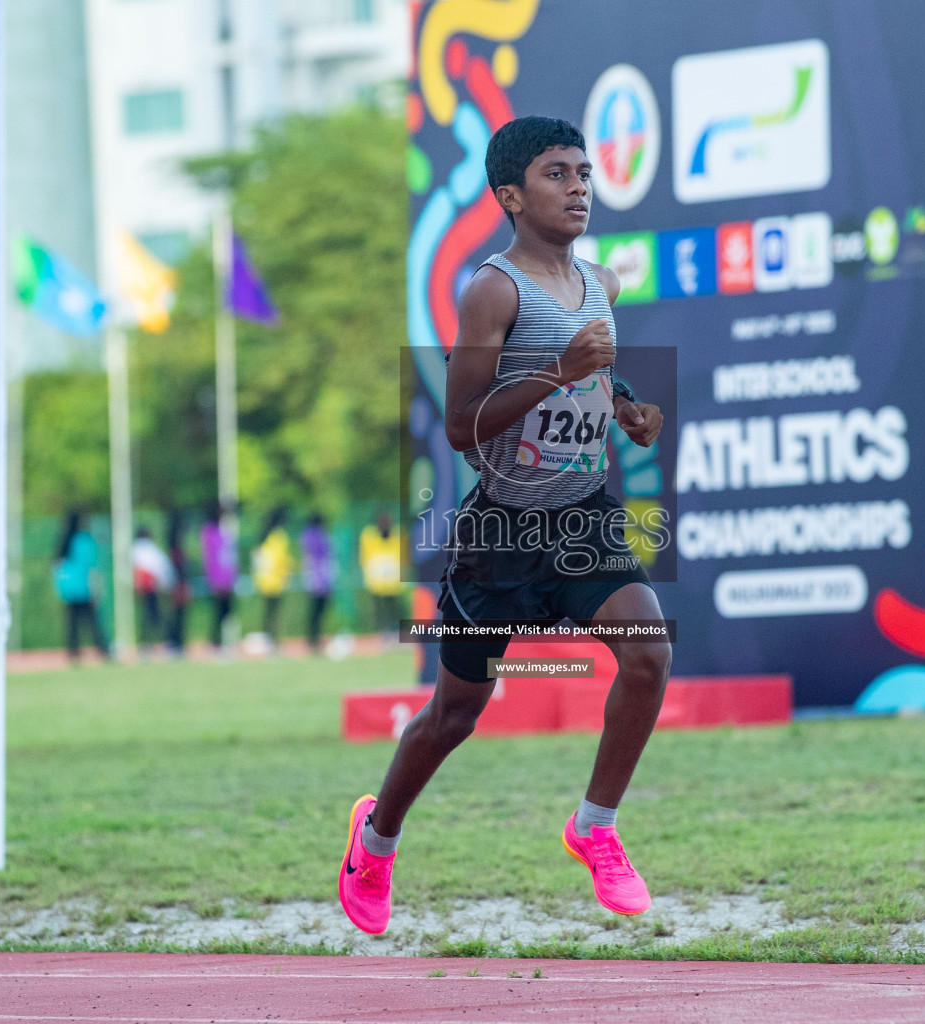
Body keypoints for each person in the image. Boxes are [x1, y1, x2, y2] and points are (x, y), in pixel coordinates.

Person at [338, 117, 669, 935]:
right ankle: (376, 840)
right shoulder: (492, 289)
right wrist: (560, 373)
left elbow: (594, 369)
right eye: (557, 174)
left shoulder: (603, 283)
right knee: (455, 714)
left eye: (585, 172)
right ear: (511, 195)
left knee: (650, 650)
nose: (580, 186)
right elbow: (461, 425)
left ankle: (595, 827)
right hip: (505, 532)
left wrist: (622, 407)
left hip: (582, 513)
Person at [54, 509, 110, 663]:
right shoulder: (84, 540)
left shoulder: (64, 540)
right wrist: (95, 588)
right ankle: (104, 649)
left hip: (67, 588)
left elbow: (58, 567)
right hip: (83, 588)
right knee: (94, 622)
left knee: (72, 623)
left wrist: (61, 588)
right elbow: (90, 566)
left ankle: (73, 652)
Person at [359, 510, 405, 646]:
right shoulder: (370, 535)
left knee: (393, 610)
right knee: (380, 612)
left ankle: (394, 633)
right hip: (377, 582)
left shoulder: (396, 534)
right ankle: (383, 635)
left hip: (392, 582)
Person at [252, 507, 293, 651]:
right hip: (276, 580)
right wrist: (287, 574)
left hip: (264, 580)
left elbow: (257, 558)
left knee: (266, 613)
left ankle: (266, 641)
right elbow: (283, 559)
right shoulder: (280, 536)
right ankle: (274, 642)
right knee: (275, 613)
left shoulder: (264, 536)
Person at [201, 501, 239, 657]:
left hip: (227, 578)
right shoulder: (209, 532)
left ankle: (224, 643)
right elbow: (209, 558)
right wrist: (213, 579)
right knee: (218, 613)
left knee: (228, 612)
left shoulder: (225, 531)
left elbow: (229, 556)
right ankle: (215, 644)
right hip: (217, 579)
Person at [131, 525, 175, 655]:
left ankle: (148, 642)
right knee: (153, 616)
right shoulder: (148, 548)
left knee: (149, 616)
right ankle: (156, 641)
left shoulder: (137, 548)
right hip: (152, 586)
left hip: (147, 586)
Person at [300, 514, 334, 654]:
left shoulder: (306, 537)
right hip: (320, 580)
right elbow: (326, 560)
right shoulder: (321, 537)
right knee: (317, 612)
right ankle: (314, 639)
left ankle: (313, 639)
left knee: (314, 613)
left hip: (312, 578)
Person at [165, 511, 190, 657]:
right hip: (177, 584)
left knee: (178, 614)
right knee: (177, 614)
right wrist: (180, 585)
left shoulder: (175, 547)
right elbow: (178, 569)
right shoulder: (176, 548)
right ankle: (175, 642)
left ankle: (176, 642)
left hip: (178, 583)